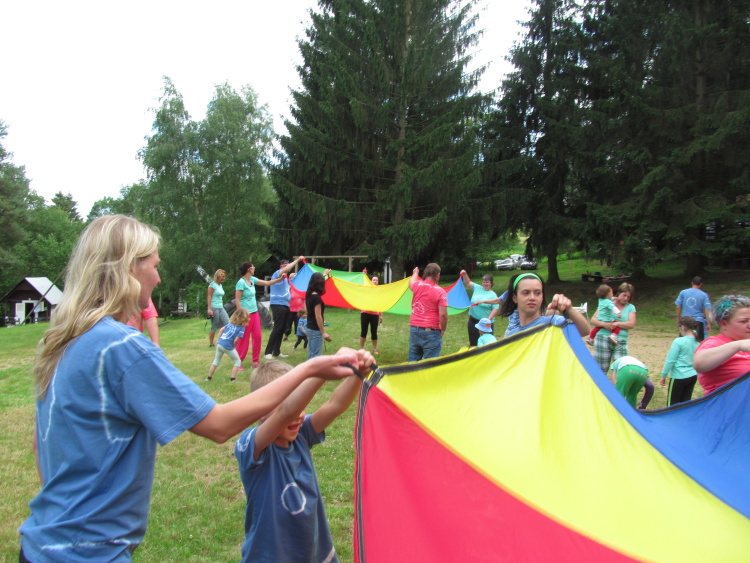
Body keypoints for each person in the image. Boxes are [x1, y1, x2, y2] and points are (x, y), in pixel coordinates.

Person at [18, 215, 359, 563]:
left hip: (40, 544)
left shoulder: (66, 340)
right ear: (128, 268)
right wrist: (311, 368)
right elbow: (219, 424)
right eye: (154, 266)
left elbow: (39, 442)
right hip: (88, 554)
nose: (159, 278)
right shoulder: (121, 347)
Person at [234, 354, 372, 563]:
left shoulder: (301, 434)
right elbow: (286, 413)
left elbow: (334, 404)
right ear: (260, 410)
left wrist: (358, 374)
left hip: (312, 552)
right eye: (289, 403)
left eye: (301, 401)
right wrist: (321, 370)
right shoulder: (253, 446)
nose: (298, 413)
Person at [499, 272, 589, 338]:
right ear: (515, 298)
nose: (532, 297)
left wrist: (569, 309)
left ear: (542, 297)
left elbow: (584, 331)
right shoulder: (511, 336)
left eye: (537, 293)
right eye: (526, 293)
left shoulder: (552, 323)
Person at [693, 294, 750, 395]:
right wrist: (737, 345)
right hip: (728, 403)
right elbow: (699, 364)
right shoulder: (715, 342)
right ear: (724, 324)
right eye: (744, 321)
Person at [235, 262, 286, 369]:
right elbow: (237, 299)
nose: (254, 268)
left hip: (254, 313)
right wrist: (241, 314)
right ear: (249, 269)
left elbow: (267, 283)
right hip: (245, 315)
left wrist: (280, 279)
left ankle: (255, 361)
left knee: (257, 336)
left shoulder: (252, 280)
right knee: (244, 339)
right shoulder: (241, 283)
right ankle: (238, 362)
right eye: (253, 267)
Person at [264, 256, 305, 360]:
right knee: (277, 328)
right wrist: (297, 260)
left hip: (285, 305)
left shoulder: (286, 280)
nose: (288, 268)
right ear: (282, 267)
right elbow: (285, 269)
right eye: (286, 266)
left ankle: (276, 352)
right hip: (277, 304)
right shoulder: (277, 274)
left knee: (282, 329)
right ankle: (268, 352)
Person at [408, 263, 448, 361]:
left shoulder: (416, 285)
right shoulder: (440, 292)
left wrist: (415, 272)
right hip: (431, 331)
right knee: (430, 364)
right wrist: (443, 328)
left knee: (413, 362)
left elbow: (411, 281)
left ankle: (412, 371)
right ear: (437, 275)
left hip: (414, 329)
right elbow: (443, 314)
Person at [659, 316, 700, 406]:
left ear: (683, 327)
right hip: (692, 376)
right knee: (685, 404)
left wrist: (663, 375)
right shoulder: (697, 342)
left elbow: (670, 360)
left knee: (672, 405)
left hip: (679, 376)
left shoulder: (678, 341)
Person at [207, 308, 249, 383]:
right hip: (228, 346)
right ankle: (233, 379)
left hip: (220, 344)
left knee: (216, 361)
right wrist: (233, 347)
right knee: (237, 361)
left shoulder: (230, 324)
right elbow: (236, 340)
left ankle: (208, 378)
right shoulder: (241, 328)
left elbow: (221, 330)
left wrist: (218, 341)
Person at [460, 270, 500, 347]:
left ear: (491, 283)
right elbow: (467, 282)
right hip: (473, 320)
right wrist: (465, 274)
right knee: (473, 343)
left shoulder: (493, 295)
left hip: (486, 323)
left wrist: (488, 319)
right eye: (484, 282)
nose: (485, 284)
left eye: (487, 282)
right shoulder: (477, 288)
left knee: (487, 344)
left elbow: (495, 308)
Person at [675, 276, 712, 342]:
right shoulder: (704, 295)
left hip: (685, 320)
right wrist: (708, 323)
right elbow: (707, 309)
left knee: (683, 341)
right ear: (701, 284)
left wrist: (678, 319)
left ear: (692, 283)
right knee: (698, 342)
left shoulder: (683, 292)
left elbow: (678, 307)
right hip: (698, 320)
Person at [306, 270, 331, 359]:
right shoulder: (317, 298)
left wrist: (323, 275)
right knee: (316, 357)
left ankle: (308, 368)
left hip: (309, 327)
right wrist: (323, 333)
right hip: (315, 330)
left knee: (311, 354)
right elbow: (318, 316)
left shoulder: (309, 293)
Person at [360, 275, 384, 354]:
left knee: (374, 332)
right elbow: (362, 285)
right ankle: (361, 349)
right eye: (374, 280)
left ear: (378, 282)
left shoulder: (379, 292)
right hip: (365, 313)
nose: (375, 281)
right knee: (364, 331)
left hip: (375, 314)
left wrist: (381, 315)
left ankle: (374, 349)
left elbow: (381, 304)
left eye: (376, 280)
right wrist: (364, 275)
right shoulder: (367, 289)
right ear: (371, 281)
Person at [207, 269, 230, 347]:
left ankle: (223, 340)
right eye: (222, 276)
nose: (224, 278)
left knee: (228, 323)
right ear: (218, 276)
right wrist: (209, 309)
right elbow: (209, 296)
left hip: (221, 307)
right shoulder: (212, 285)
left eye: (224, 276)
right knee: (215, 325)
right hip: (214, 307)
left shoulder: (220, 285)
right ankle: (211, 343)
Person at [284, 272, 304, 342]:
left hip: (299, 309)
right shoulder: (288, 288)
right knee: (288, 323)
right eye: (293, 278)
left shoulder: (301, 288)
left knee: (298, 323)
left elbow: (304, 298)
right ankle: (286, 336)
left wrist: (305, 309)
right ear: (290, 279)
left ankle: (298, 337)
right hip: (290, 309)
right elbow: (285, 297)